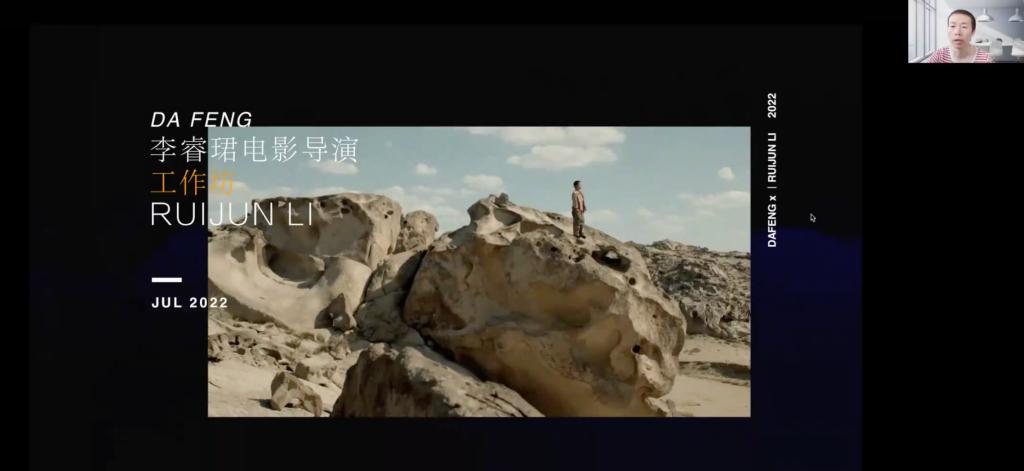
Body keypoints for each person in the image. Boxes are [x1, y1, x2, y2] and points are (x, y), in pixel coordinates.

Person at [925, 9, 992, 63]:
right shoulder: (939, 56)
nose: (957, 32)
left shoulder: (985, 59)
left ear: (973, 32)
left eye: (964, 27)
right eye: (952, 26)